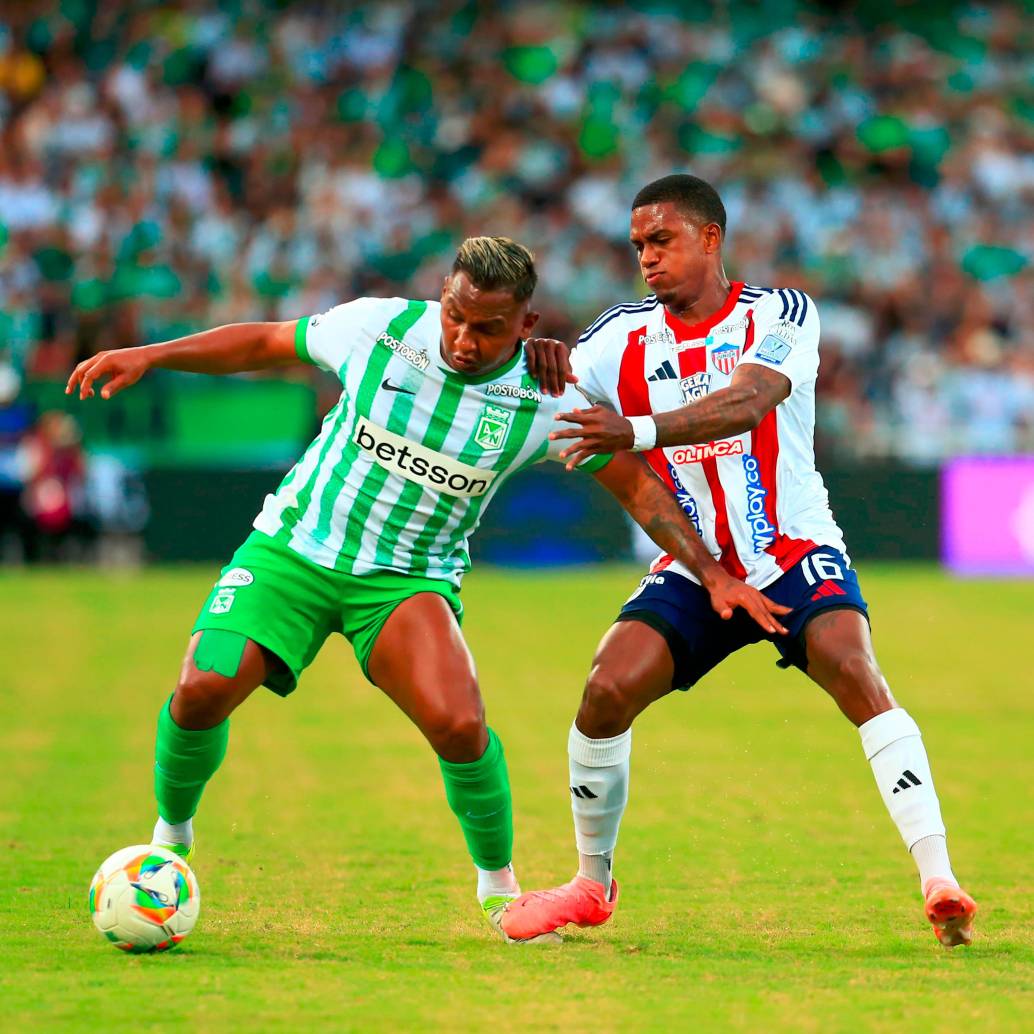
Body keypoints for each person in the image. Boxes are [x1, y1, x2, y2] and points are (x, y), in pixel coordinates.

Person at [66, 235, 788, 944]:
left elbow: (636, 486)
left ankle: (500, 891)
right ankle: (170, 838)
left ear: (527, 325)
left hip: (407, 578)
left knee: (460, 725)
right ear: (443, 296)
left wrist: (712, 572)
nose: (465, 340)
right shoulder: (377, 329)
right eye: (455, 316)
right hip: (295, 548)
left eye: (489, 328)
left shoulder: (547, 398)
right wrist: (152, 355)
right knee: (203, 686)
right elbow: (266, 341)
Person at [500, 177, 977, 949]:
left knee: (854, 669)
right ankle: (591, 883)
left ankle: (939, 879)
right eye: (638, 246)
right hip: (696, 563)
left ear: (710, 238)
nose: (647, 258)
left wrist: (635, 431)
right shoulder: (619, 337)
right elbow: (535, 394)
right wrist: (533, 360)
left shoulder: (780, 314)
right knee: (606, 688)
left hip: (791, 547)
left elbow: (748, 403)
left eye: (661, 241)